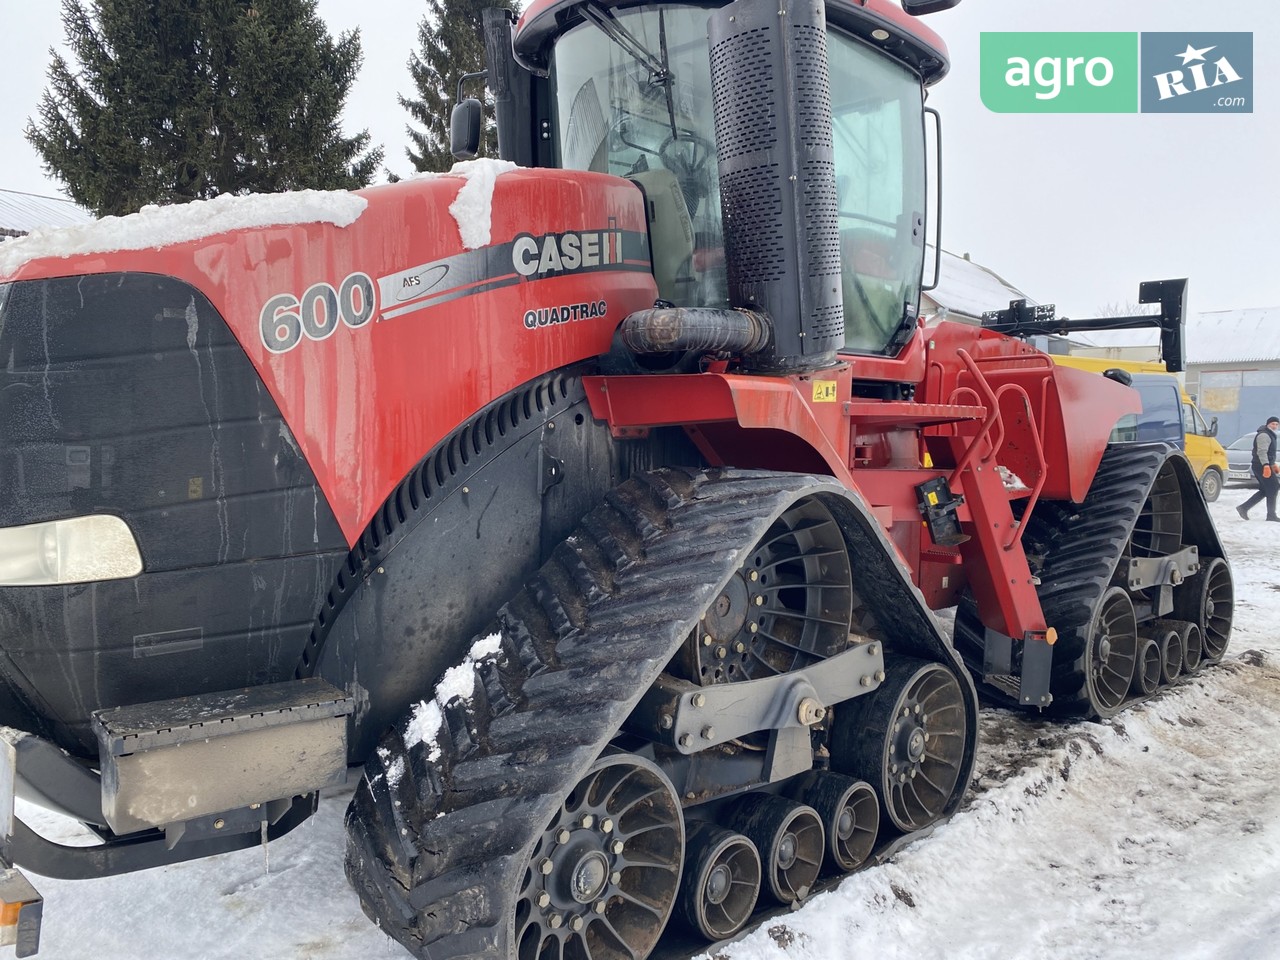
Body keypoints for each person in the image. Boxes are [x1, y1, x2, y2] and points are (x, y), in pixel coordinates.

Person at [1237, 416, 1280, 521]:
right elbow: (1262, 451)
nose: (1274, 426)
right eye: (1272, 424)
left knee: (1266, 489)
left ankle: (1243, 508)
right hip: (1261, 466)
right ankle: (1271, 515)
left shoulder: (1270, 434)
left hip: (1263, 465)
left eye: (1276, 424)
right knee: (1273, 487)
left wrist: (1272, 464)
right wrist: (1266, 465)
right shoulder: (1264, 435)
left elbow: (1269, 452)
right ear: (1267, 424)